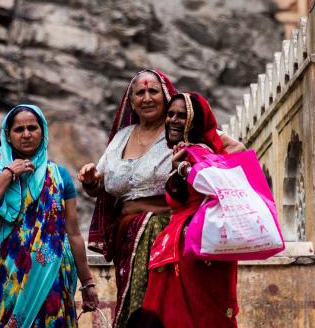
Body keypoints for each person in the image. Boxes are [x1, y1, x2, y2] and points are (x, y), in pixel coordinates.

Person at [77, 70, 244, 327]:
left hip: (167, 239)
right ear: (130, 101)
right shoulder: (122, 137)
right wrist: (91, 181)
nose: (147, 98)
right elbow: (103, 187)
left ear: (166, 96)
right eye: (140, 93)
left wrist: (195, 168)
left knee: (160, 315)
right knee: (135, 314)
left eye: (153, 91)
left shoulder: (180, 130)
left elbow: (235, 149)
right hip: (127, 240)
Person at [0, 104, 98, 328]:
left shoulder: (58, 175)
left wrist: (87, 284)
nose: (27, 134)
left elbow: (74, 232)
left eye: (32, 128)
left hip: (50, 278)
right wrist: (9, 174)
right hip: (6, 276)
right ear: (8, 135)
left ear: (42, 131)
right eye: (19, 129)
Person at [140, 92, 239, 328]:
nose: (173, 120)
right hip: (182, 251)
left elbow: (217, 186)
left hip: (195, 253)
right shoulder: (189, 152)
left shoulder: (200, 153)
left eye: (182, 116)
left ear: (194, 123)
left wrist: (185, 168)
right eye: (170, 114)